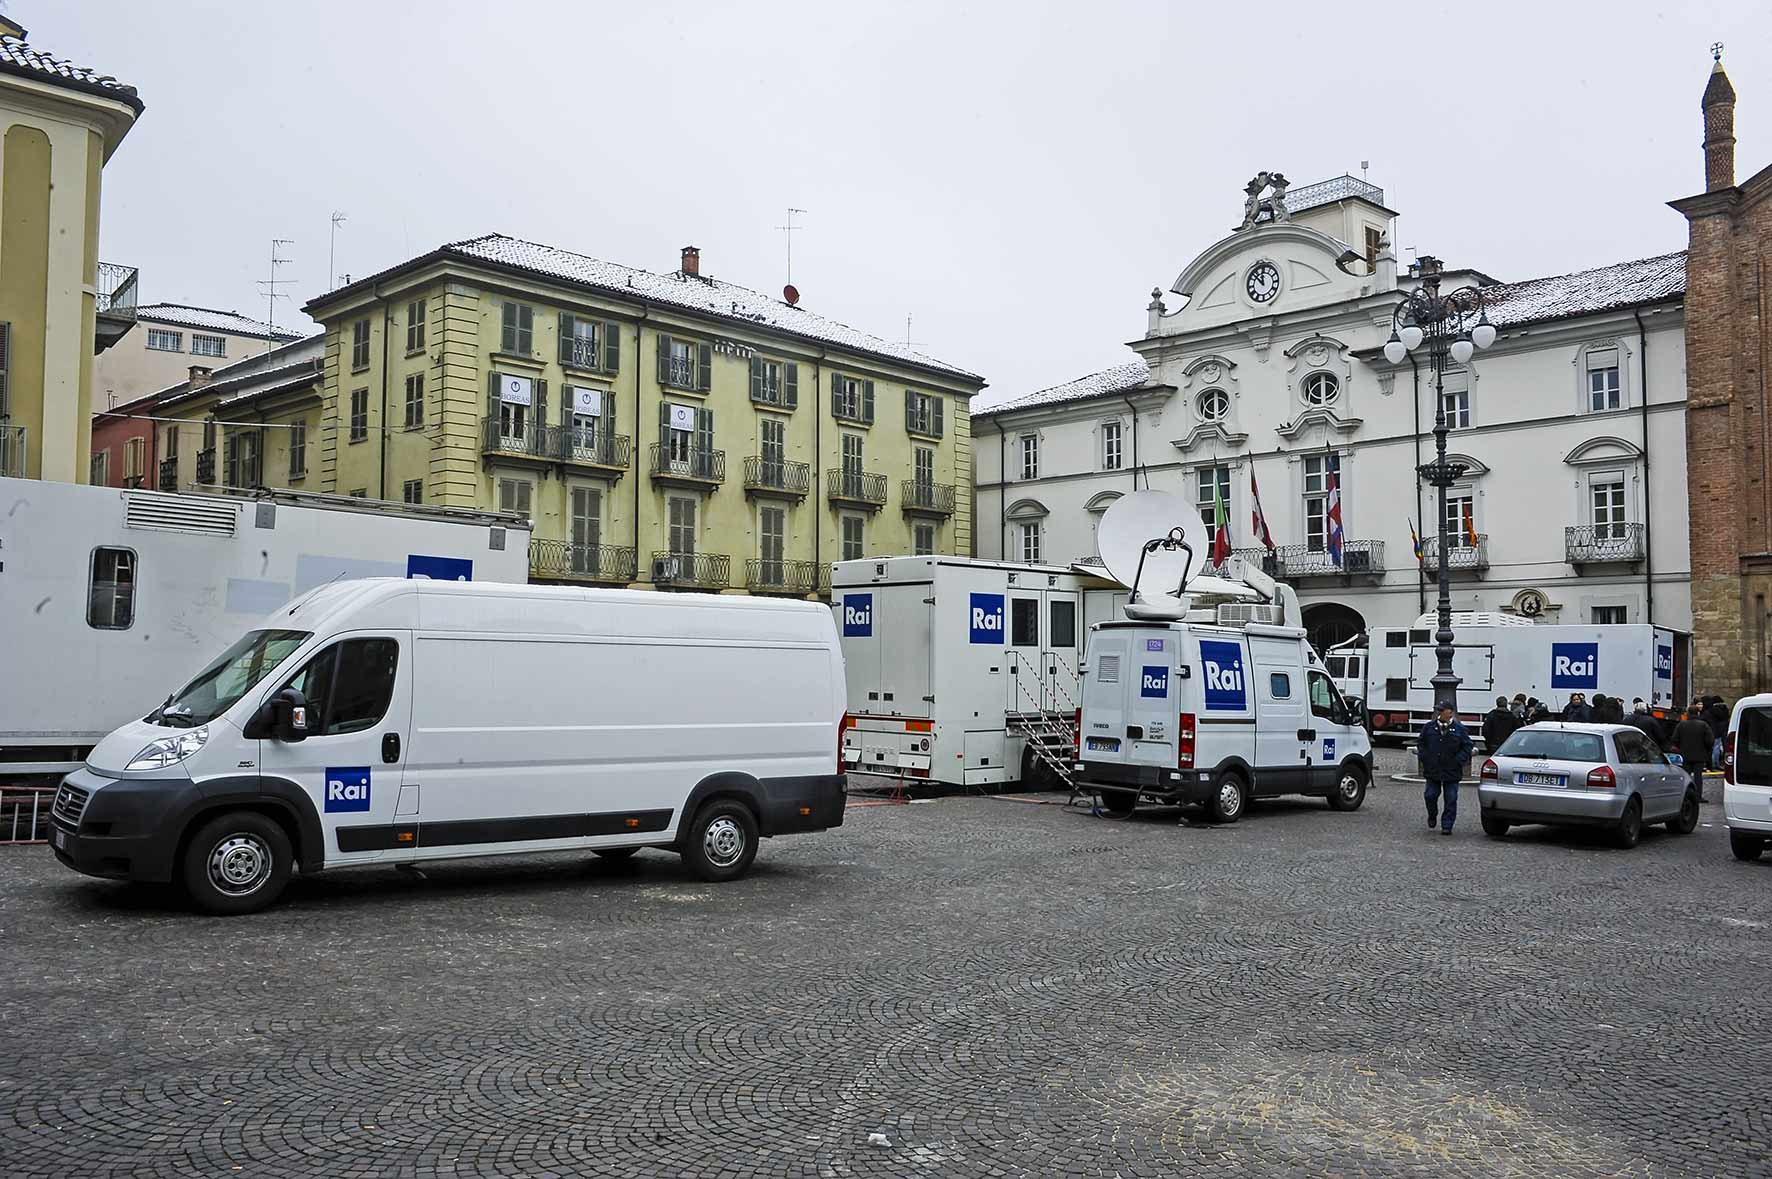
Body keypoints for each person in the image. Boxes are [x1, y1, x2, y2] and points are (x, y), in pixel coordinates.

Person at [1417, 701, 1474, 837]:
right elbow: (1421, 744)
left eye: (1442, 710)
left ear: (1450, 713)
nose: (1440, 712)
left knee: (1451, 798)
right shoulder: (1429, 727)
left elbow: (1467, 746)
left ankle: (1447, 825)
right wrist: (1425, 758)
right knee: (1430, 795)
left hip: (1451, 770)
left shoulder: (1459, 729)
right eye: (1439, 710)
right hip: (1433, 769)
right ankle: (1432, 815)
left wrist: (1458, 760)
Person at [1671, 705, 1713, 794]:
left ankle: (1686, 794)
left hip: (1685, 754)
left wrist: (1680, 747)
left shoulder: (1681, 724)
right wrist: (1706, 750)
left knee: (1686, 776)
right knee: (1698, 776)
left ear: (1688, 713)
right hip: (1700, 755)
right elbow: (1710, 740)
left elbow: (1675, 739)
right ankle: (1698, 795)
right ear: (1698, 713)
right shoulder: (1703, 725)